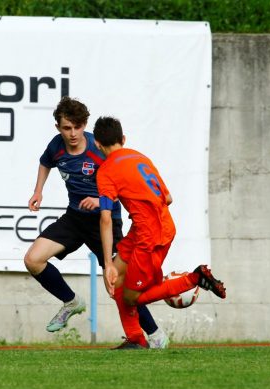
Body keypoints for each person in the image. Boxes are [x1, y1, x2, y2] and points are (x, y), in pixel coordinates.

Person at [24, 97, 169, 349]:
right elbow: (45, 162)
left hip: (105, 220)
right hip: (75, 217)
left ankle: (154, 335)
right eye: (66, 128)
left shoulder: (98, 149)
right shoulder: (56, 146)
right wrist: (38, 191)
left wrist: (97, 198)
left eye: (77, 127)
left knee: (118, 283)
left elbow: (117, 181)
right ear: (58, 127)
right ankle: (71, 302)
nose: (72, 133)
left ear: (85, 125)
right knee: (32, 259)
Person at [93, 115, 227, 348]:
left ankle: (194, 278)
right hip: (150, 227)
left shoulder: (106, 171)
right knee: (117, 282)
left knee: (131, 297)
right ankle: (135, 340)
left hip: (150, 236)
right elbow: (168, 197)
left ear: (97, 144)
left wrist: (107, 263)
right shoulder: (140, 157)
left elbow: (105, 218)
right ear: (123, 138)